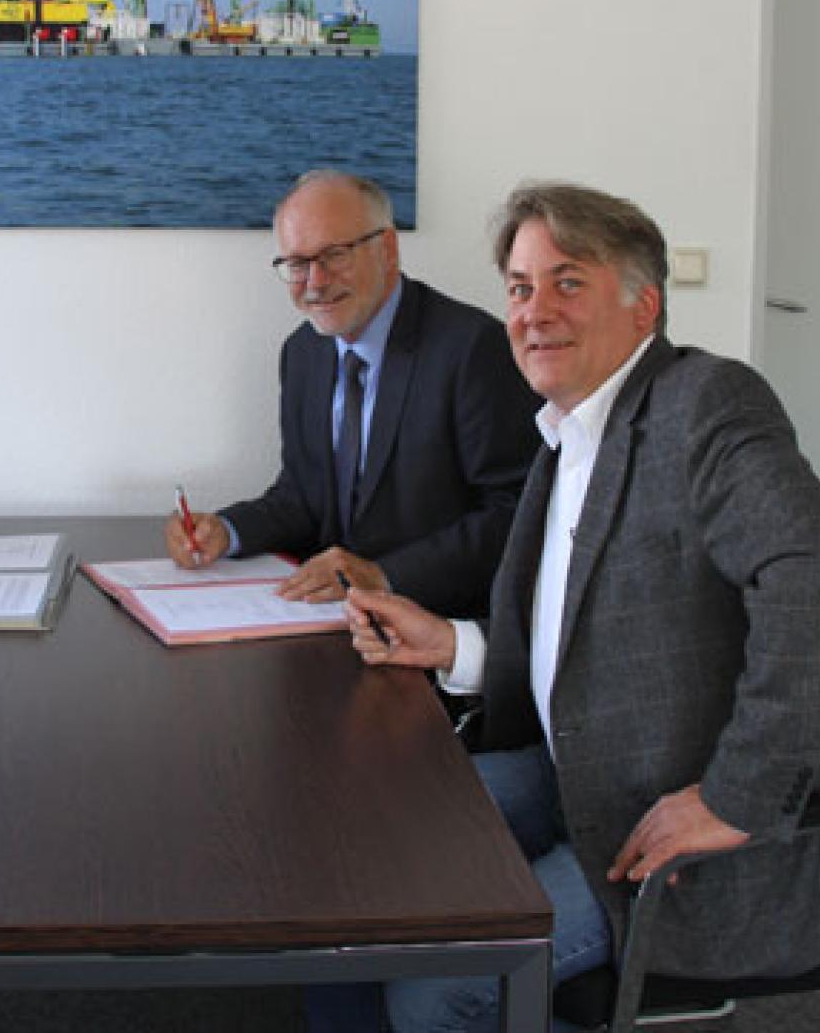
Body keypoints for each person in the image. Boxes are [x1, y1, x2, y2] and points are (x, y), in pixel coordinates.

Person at [334, 182, 820, 1031]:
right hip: (571, 773)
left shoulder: (706, 403)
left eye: (568, 282)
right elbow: (588, 634)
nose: (534, 312)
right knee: (371, 834)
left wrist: (736, 795)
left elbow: (807, 578)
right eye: (520, 288)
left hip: (652, 829)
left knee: (435, 993)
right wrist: (452, 643)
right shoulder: (567, 433)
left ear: (644, 305)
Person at [166, 170, 541, 617]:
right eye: (298, 263)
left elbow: (517, 514)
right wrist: (226, 531)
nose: (316, 281)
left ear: (388, 249)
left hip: (439, 622)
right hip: (331, 619)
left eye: (334, 255)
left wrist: (383, 576)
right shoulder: (303, 353)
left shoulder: (473, 348)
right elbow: (302, 496)